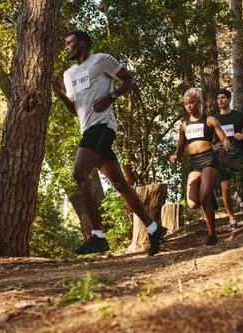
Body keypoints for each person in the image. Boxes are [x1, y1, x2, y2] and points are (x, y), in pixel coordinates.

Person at [51, 30, 166, 256]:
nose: (66, 47)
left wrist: (111, 96)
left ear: (82, 44)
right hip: (87, 128)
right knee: (121, 185)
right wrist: (60, 94)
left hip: (102, 126)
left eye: (69, 43)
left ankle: (98, 236)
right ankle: (154, 228)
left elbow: (130, 80)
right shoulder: (68, 74)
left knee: (79, 173)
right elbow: (75, 110)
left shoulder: (101, 60)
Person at [169, 88, 230, 246]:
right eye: (185, 104)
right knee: (193, 203)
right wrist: (175, 155)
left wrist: (225, 149)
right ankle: (209, 195)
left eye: (191, 102)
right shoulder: (183, 125)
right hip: (194, 162)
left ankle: (212, 235)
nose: (188, 106)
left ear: (199, 102)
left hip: (209, 159)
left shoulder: (209, 120)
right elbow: (181, 147)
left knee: (203, 199)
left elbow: (224, 139)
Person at [213, 89, 243, 229]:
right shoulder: (214, 119)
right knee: (225, 188)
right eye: (218, 98)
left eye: (223, 97)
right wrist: (215, 147)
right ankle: (232, 218)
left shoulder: (238, 116)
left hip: (238, 155)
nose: (220, 100)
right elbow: (211, 138)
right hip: (222, 158)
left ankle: (241, 199)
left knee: (241, 183)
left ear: (229, 99)